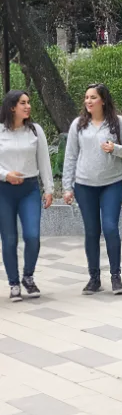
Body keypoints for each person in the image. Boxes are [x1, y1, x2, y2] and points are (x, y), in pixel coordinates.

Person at [62, 84, 122, 294]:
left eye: (93, 97)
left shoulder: (118, 123)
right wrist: (67, 187)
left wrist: (115, 148)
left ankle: (116, 277)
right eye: (86, 97)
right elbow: (70, 157)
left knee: (110, 228)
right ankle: (94, 278)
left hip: (112, 183)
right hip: (85, 185)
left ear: (103, 100)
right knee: (92, 232)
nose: (88, 101)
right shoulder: (78, 125)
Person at [0, 91, 54, 301]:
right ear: (12, 107)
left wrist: (49, 189)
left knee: (32, 236)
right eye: (23, 103)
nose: (28, 106)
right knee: (9, 238)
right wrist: (6, 175)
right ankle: (13, 283)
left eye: (29, 102)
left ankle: (28, 277)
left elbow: (44, 161)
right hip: (4, 190)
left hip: (30, 189)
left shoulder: (35, 130)